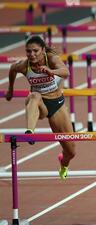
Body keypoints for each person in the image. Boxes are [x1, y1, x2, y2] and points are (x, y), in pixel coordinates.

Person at [6, 35, 75, 181]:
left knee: (71, 151)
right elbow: (12, 69)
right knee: (34, 96)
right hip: (39, 105)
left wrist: (52, 71)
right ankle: (30, 132)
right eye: (28, 51)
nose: (31, 54)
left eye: (35, 51)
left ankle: (63, 163)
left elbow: (66, 72)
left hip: (57, 104)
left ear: (43, 50)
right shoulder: (25, 66)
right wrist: (10, 90)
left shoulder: (51, 59)